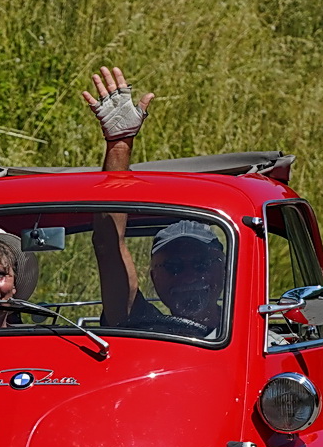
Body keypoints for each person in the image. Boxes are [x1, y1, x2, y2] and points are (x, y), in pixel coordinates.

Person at [81, 66, 226, 339]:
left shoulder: (254, 335)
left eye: (201, 265)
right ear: (154, 277)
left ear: (223, 269)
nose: (188, 278)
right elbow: (108, 244)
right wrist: (119, 145)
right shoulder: (141, 326)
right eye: (172, 268)